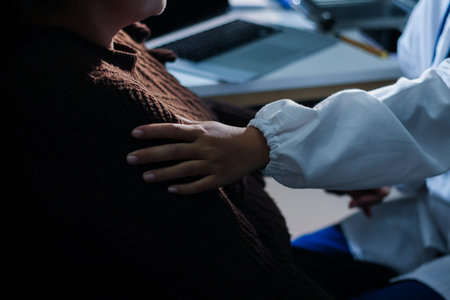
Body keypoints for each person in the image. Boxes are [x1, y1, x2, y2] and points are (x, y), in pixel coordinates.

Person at [7, 0, 336, 298]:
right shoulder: (90, 101)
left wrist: (308, 151)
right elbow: (245, 281)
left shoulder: (102, 36)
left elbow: (192, 114)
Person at [126, 0, 450, 299]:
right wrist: (378, 164)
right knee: (270, 271)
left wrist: (261, 144)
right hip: (433, 215)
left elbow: (437, 103)